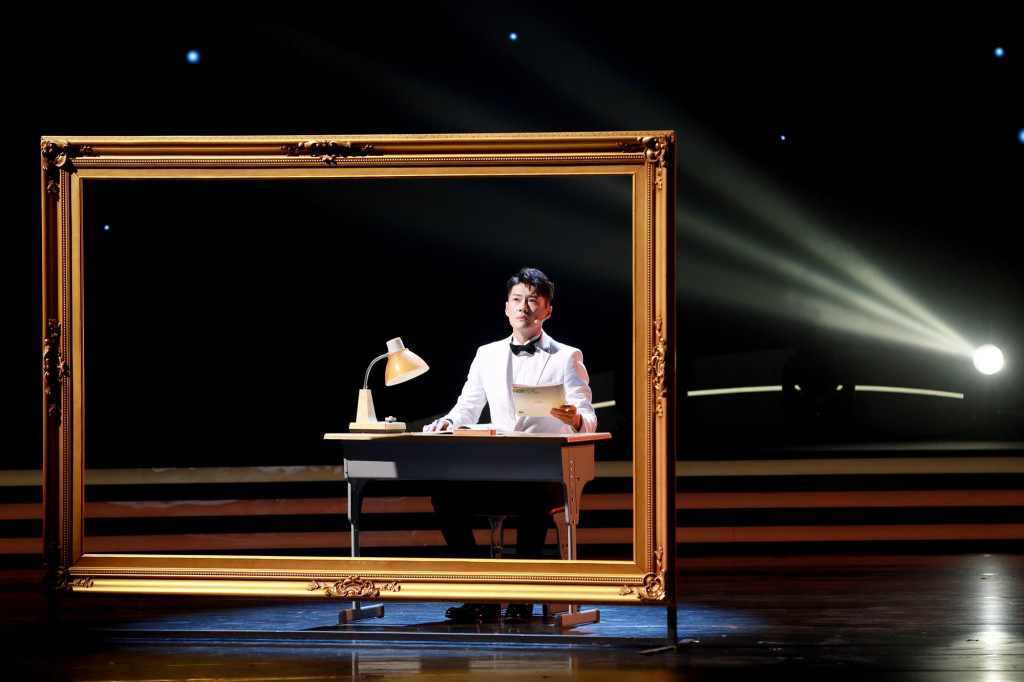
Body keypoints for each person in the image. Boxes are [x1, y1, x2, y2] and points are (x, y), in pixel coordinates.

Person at [423, 267, 597, 624]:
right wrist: (448, 422)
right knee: (445, 498)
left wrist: (575, 418)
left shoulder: (567, 356)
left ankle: (523, 595)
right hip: (498, 469)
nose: (523, 307)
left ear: (547, 310)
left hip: (546, 473)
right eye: (517, 300)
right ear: (506, 307)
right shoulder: (486, 354)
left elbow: (589, 417)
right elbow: (466, 407)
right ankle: (482, 594)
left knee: (532, 498)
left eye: (532, 301)